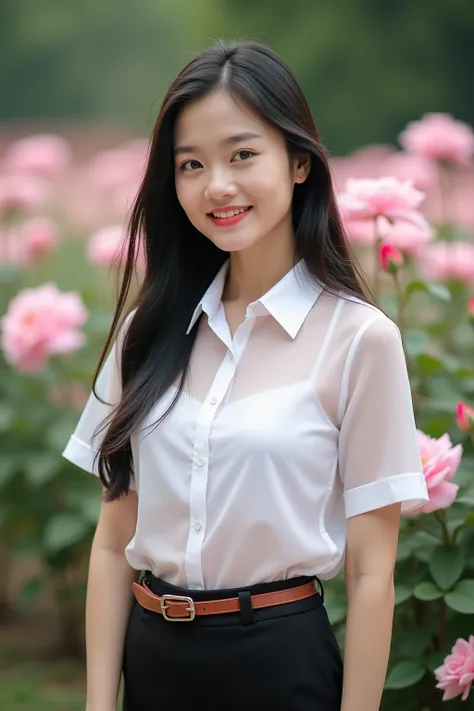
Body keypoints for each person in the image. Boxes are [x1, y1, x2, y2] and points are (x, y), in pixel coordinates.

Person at [62, 40, 430, 711]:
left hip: (278, 665)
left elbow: (373, 569)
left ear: (297, 162)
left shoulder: (360, 340)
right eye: (191, 164)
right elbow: (114, 543)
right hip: (153, 663)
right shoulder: (148, 330)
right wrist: (96, 702)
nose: (217, 186)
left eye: (241, 154)